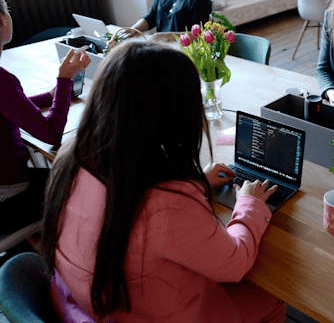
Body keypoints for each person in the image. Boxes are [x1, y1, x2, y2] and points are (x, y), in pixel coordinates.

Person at [40, 41, 286, 323]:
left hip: (83, 303)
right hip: (149, 313)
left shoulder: (72, 158)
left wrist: (196, 181)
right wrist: (249, 204)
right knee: (273, 298)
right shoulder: (167, 201)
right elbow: (235, 264)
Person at [0, 0, 90, 234]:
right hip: (12, 199)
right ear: (2, 22)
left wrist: (52, 95)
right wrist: (64, 80)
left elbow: (11, 108)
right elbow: (51, 134)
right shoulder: (3, 81)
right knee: (85, 182)